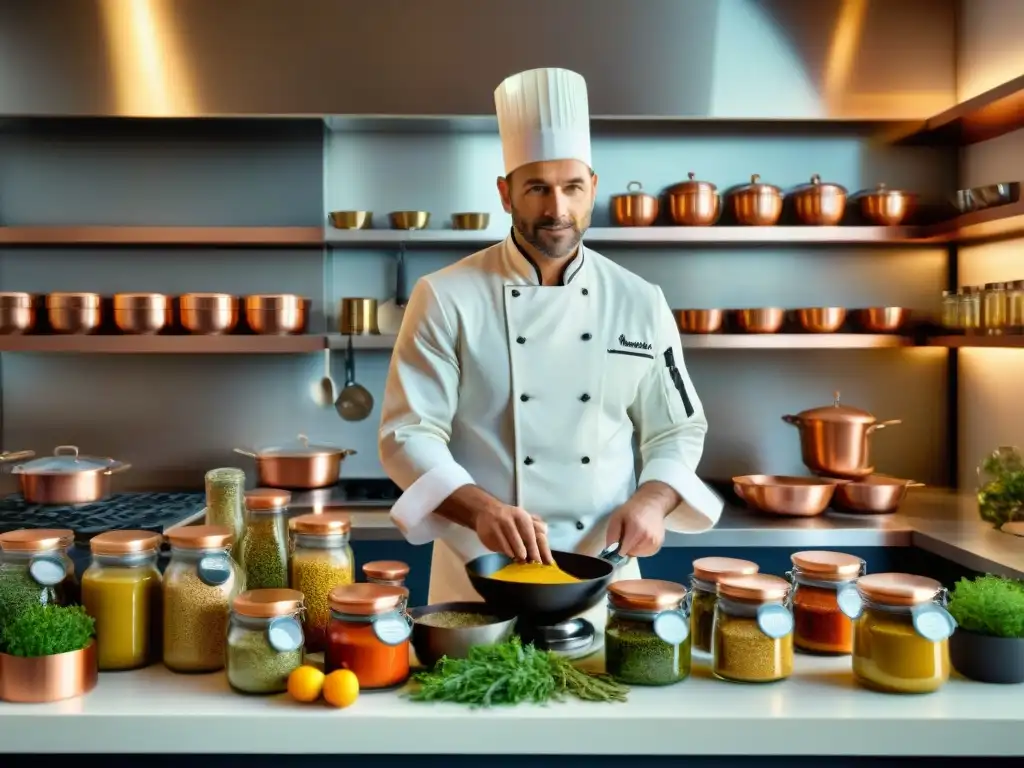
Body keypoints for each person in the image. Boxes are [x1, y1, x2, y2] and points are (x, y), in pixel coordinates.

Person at [378, 67, 723, 620]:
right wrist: (480, 510)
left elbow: (678, 428)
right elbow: (406, 433)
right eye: (537, 187)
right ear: (505, 193)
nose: (556, 209)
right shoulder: (445, 296)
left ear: (593, 186)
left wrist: (653, 501)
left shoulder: (640, 301)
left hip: (603, 574)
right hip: (480, 575)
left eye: (571, 187)